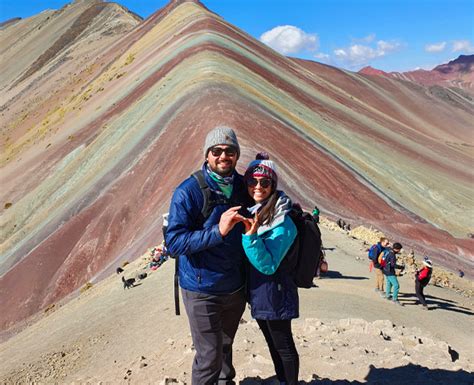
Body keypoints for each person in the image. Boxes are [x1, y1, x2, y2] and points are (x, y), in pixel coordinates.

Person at [165, 126, 251, 385]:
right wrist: (218, 231)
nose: (223, 156)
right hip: (202, 289)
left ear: (236, 155)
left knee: (224, 347)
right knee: (209, 355)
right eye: (217, 151)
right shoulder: (188, 192)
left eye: (230, 151)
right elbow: (174, 243)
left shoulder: (243, 187)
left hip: (234, 288)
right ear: (207, 155)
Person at [241, 153, 300, 385]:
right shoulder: (257, 210)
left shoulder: (283, 221)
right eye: (252, 181)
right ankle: (283, 380)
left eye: (265, 183)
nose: (258, 187)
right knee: (272, 342)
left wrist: (250, 236)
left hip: (275, 291)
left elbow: (268, 265)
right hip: (261, 293)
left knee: (283, 345)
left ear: (273, 185)